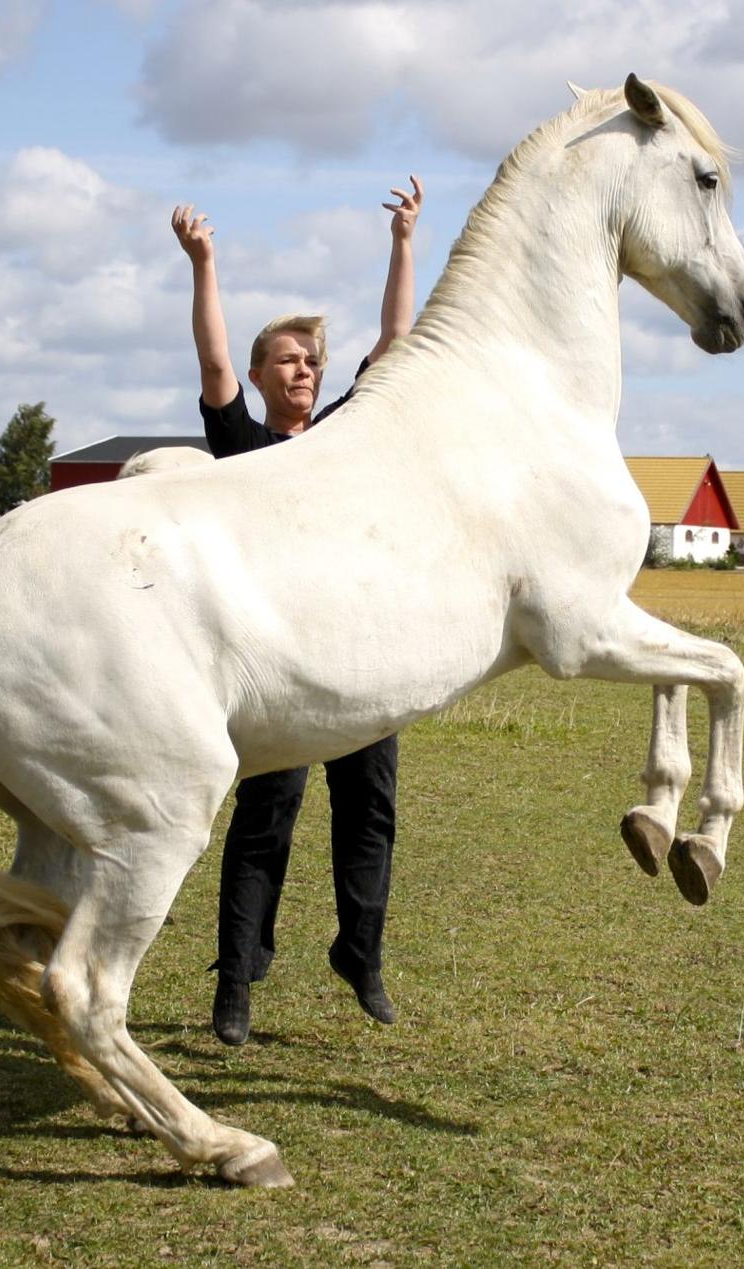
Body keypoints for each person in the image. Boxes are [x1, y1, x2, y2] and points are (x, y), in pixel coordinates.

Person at [171, 175, 424, 1046]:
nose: (306, 369)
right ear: (261, 375)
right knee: (263, 818)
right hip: (275, 667)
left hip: (359, 656)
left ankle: (361, 953)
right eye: (288, 359)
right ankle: (236, 980)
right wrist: (205, 264)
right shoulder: (239, 445)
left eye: (313, 360)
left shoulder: (346, 437)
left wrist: (402, 244)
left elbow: (394, 342)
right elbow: (210, 364)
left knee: (371, 810)